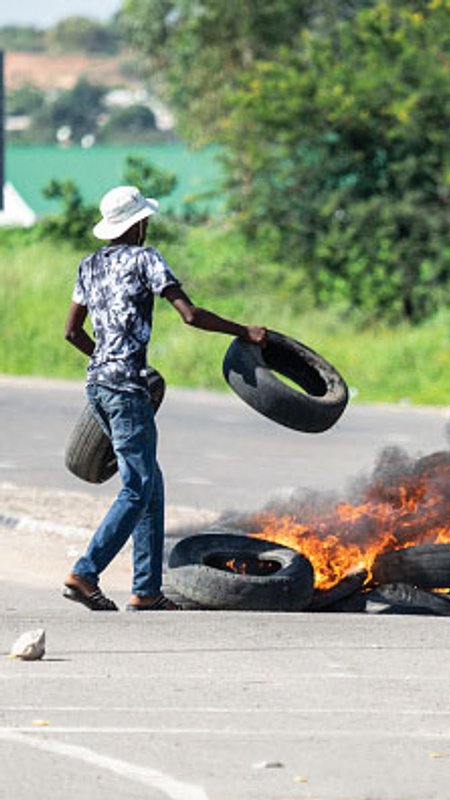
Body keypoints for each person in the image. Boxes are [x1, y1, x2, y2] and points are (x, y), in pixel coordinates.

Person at [62, 185, 268, 611]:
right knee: (137, 489)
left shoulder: (89, 265)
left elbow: (71, 332)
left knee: (150, 484)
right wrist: (244, 332)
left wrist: (103, 357)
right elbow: (190, 315)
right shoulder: (146, 258)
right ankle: (85, 572)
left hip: (98, 386)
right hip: (126, 389)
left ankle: (147, 589)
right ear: (138, 223)